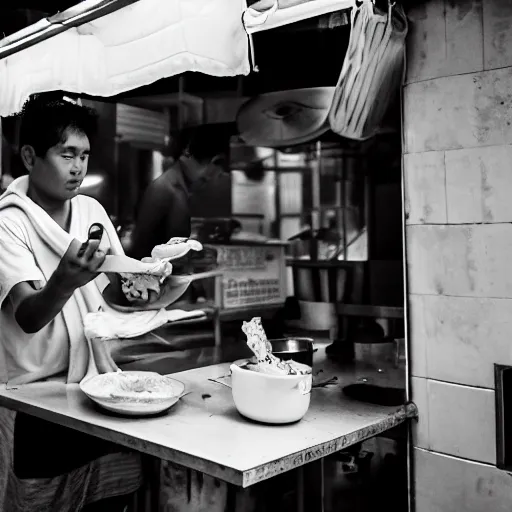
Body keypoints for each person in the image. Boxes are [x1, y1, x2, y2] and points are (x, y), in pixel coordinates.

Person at [0, 95, 142, 511]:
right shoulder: (9, 223)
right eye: (67, 155)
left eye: (84, 156)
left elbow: (115, 290)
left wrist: (143, 285)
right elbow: (27, 316)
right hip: (38, 402)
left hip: (98, 388)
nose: (79, 167)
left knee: (110, 498)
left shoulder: (91, 210)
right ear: (30, 156)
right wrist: (63, 281)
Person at [128, 125, 229, 260]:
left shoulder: (170, 184)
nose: (208, 181)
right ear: (215, 161)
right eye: (209, 177)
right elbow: (175, 255)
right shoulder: (172, 191)